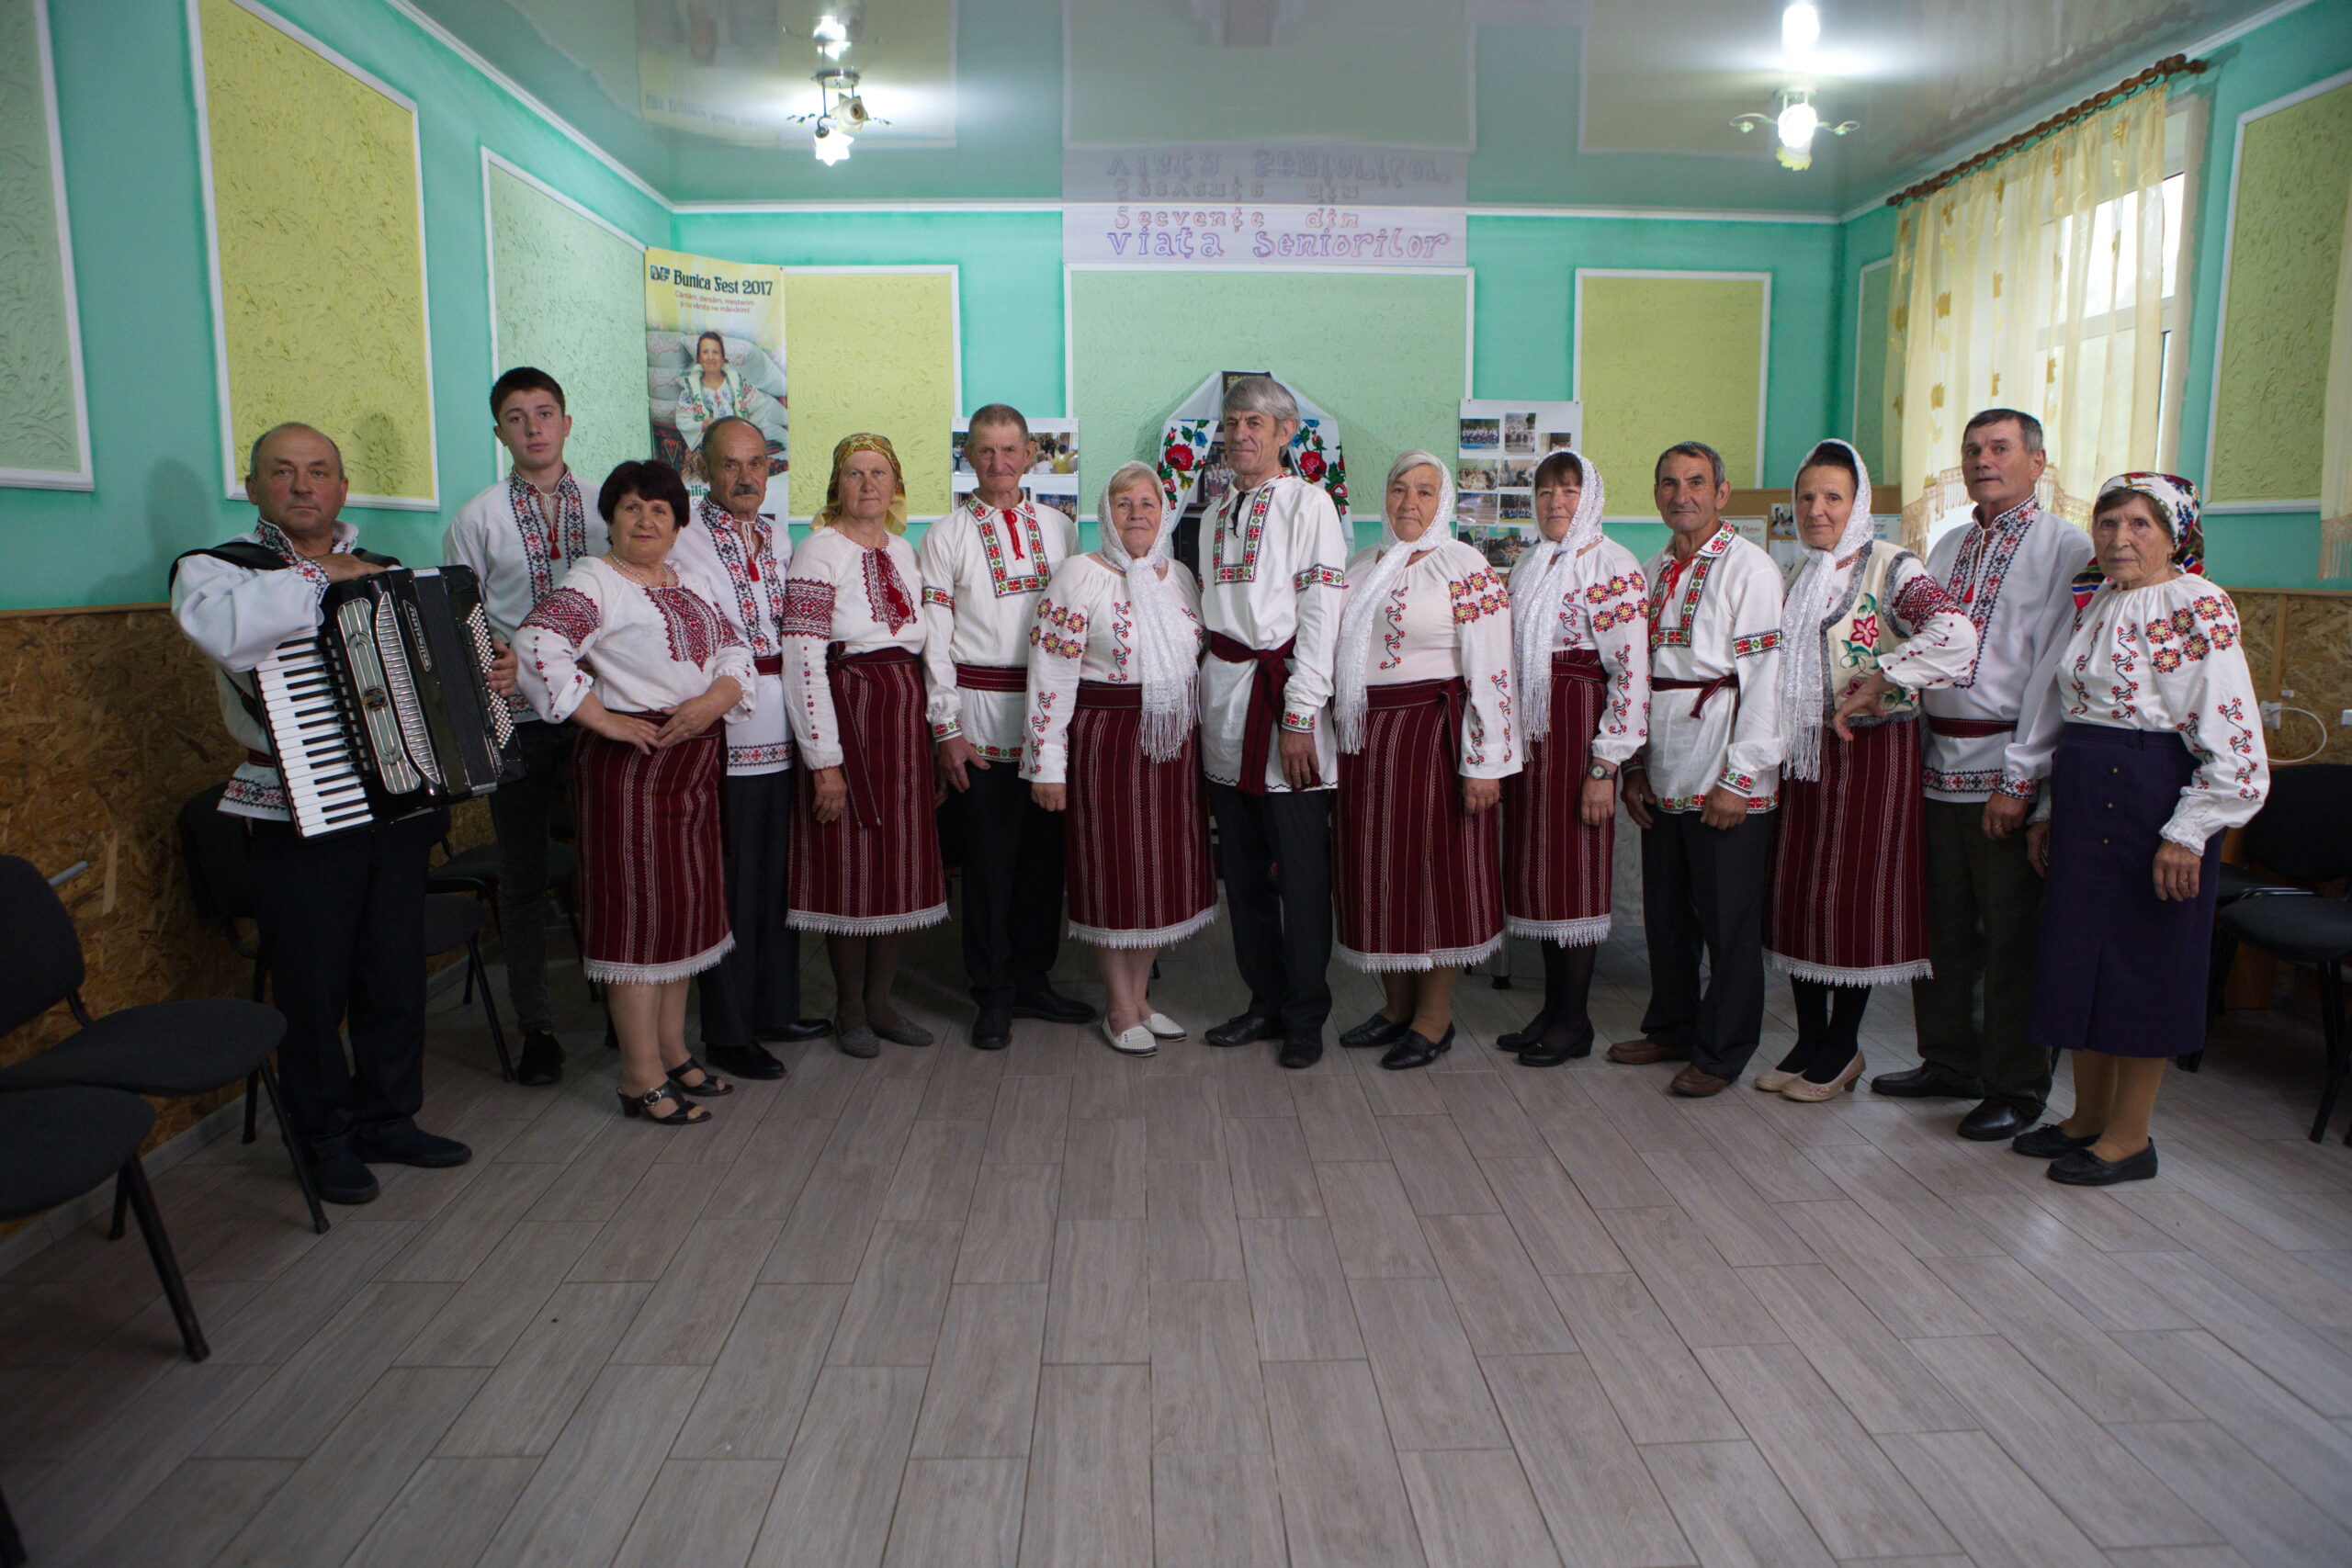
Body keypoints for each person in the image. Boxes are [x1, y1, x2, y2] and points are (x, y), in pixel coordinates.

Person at [171, 424, 488, 1201]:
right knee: (313, 983)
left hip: (395, 799)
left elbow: (436, 675)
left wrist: (489, 667)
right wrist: (320, 574)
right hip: (293, 809)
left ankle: (389, 1116)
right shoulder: (214, 572)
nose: (302, 485)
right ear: (253, 486)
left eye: (318, 471)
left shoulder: (383, 569)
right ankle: (322, 1138)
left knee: (393, 970)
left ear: (342, 488)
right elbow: (228, 635)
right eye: (282, 472)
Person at [2016, 474, 2267, 1182]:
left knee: (2141, 965)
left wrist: (2189, 831)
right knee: (2077, 958)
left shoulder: (2193, 604)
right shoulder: (2100, 600)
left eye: (2139, 524)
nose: (2119, 537)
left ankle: (2130, 1137)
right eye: (2107, 522)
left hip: (2153, 797)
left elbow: (2234, 739)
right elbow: (2070, 716)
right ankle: (2086, 1117)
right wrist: (2049, 808)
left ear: (2174, 535)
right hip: (2087, 790)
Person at [515, 459, 753, 1126]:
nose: (645, 520)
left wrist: (714, 700)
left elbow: (734, 652)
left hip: (692, 761)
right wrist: (601, 717)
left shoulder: (692, 581)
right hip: (631, 768)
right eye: (630, 507)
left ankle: (672, 1051)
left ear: (677, 525)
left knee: (682, 911)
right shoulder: (596, 579)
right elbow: (536, 643)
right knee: (637, 919)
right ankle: (638, 1074)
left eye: (659, 510)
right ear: (611, 519)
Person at [1884, 409, 2098, 1143]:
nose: (1984, 460)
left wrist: (2022, 778)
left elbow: (2053, 670)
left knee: (2012, 936)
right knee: (1942, 926)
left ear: (2038, 461)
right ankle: (1949, 1059)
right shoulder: (1947, 543)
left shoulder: (2065, 547)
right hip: (1936, 761)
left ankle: (2015, 1085)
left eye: (2001, 448)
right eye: (1973, 448)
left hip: (2007, 762)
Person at [1760, 440, 1978, 1100]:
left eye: (1833, 497)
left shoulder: (1892, 566)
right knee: (1800, 893)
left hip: (1872, 754)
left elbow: (1957, 634)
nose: (1817, 510)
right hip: (1807, 753)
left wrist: (1885, 675)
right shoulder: (1800, 574)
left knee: (1852, 898)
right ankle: (1808, 1038)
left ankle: (1842, 1045)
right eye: (1806, 497)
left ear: (1858, 505)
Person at [442, 367, 607, 1087]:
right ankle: (536, 1026)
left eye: (545, 413)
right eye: (517, 416)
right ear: (500, 431)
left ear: (567, 423)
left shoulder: (607, 506)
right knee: (523, 873)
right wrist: (493, 662)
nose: (534, 427)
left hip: (599, 710)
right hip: (517, 720)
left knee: (609, 860)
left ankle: (621, 1004)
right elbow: (460, 617)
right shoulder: (477, 518)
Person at [1329, 453, 1519, 1070]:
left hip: (1434, 736)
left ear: (1445, 502)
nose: (1409, 501)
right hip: (1367, 740)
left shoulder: (1464, 566)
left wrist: (1484, 762)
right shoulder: (1362, 566)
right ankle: (1396, 1007)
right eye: (1398, 488)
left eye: (1425, 491)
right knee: (1379, 871)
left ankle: (1434, 1018)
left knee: (1437, 875)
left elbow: (1493, 668)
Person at [1022, 461, 1215, 1055]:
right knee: (1114, 872)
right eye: (1123, 503)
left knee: (1160, 872)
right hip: (1106, 740)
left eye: (1147, 503)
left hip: (1171, 743)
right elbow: (1050, 674)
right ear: (1107, 514)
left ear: (1163, 514)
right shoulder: (1079, 575)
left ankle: (1142, 1000)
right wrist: (1047, 763)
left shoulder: (1178, 576)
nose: (1136, 513)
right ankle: (1119, 1006)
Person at [1611, 442, 1786, 1097]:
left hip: (1725, 761)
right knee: (1667, 915)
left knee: (1727, 922)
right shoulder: (1652, 570)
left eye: (1695, 482)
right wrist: (1634, 766)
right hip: (1665, 763)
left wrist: (1740, 779)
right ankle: (1673, 1026)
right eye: (1668, 483)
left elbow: (1765, 681)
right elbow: (1634, 676)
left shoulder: (1751, 568)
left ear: (1721, 492)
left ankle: (1722, 1050)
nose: (1681, 494)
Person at [920, 404, 1092, 1049]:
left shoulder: (1060, 528)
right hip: (980, 720)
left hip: (1048, 721)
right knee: (990, 866)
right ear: (968, 455)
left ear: (1030, 454)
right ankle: (991, 994)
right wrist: (946, 729)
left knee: (1044, 863)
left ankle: (1033, 980)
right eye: (986, 450)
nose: (998, 462)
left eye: (1010, 449)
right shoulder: (946, 536)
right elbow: (935, 640)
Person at [666, 416, 829, 1083]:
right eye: (730, 464)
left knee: (776, 878)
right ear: (703, 468)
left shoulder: (778, 537)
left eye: (757, 463)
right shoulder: (683, 536)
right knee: (731, 884)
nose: (745, 476)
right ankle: (729, 1033)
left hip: (782, 727)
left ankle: (777, 1009)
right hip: (724, 733)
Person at [1195, 375, 1351, 1069]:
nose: (1241, 434)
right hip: (1226, 710)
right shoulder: (1214, 514)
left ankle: (1305, 1014)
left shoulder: (1309, 503)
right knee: (1244, 872)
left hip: (1285, 703)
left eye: (1256, 422)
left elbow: (1321, 613)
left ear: (1286, 433)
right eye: (1233, 422)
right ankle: (1263, 1001)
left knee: (1302, 872)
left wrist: (1300, 714)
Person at [781, 434, 948, 1056]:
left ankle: (881, 1003)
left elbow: (927, 649)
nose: (868, 484)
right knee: (848, 864)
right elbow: (802, 658)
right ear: (837, 486)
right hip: (848, 714)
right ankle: (849, 1006)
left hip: (903, 720)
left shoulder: (905, 552)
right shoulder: (817, 552)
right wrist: (824, 761)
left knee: (899, 863)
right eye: (855, 473)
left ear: (896, 484)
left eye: (880, 472)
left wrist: (935, 735)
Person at [1499, 449, 1650, 1067]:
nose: (1555, 502)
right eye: (1544, 492)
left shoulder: (1612, 564)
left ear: (1590, 498)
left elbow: (1630, 672)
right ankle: (1552, 1010)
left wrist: (1604, 765)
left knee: (1575, 876)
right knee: (1541, 876)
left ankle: (1574, 1019)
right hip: (1534, 739)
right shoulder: (1529, 564)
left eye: (1568, 490)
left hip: (1577, 731)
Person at [674, 331, 780, 456]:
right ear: (699, 358)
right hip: (708, 451)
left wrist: (747, 429)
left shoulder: (736, 382)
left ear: (722, 357)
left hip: (740, 447)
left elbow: (759, 406)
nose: (710, 357)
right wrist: (702, 425)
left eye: (715, 352)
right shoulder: (691, 388)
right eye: (705, 352)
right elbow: (682, 421)